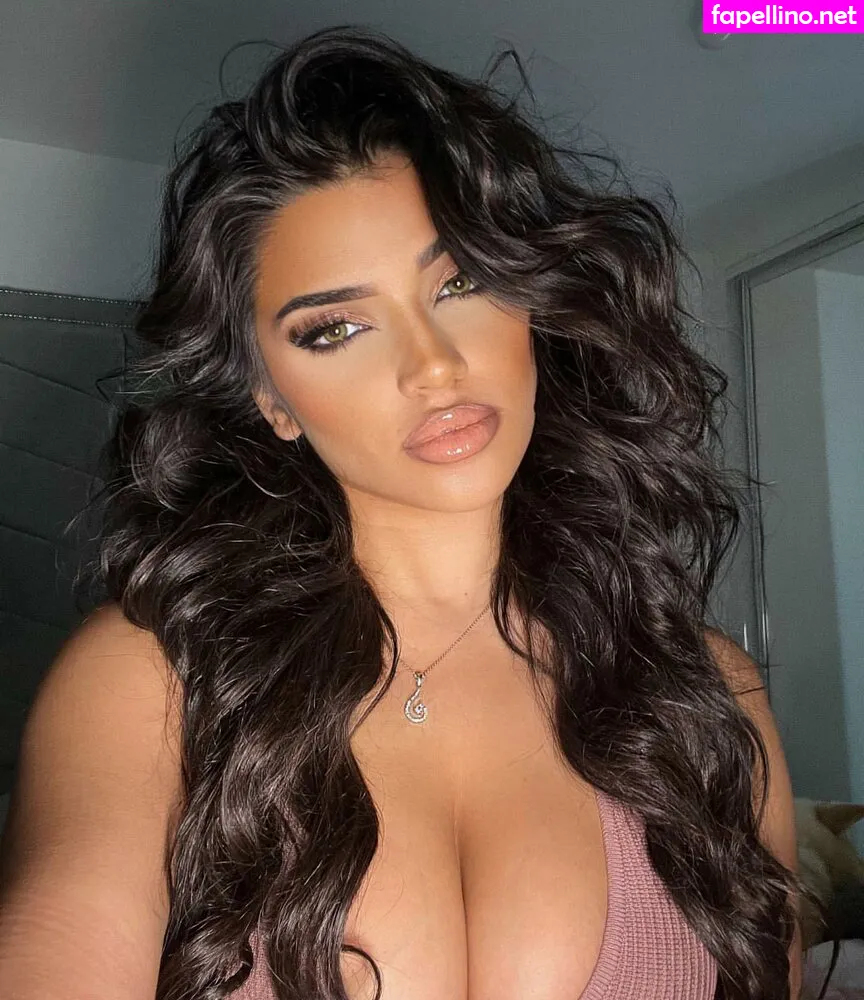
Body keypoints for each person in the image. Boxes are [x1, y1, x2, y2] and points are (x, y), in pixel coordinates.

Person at [0, 24, 804, 1000]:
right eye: (336, 327)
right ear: (272, 400)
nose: (432, 364)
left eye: (458, 281)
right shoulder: (148, 685)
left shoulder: (705, 691)